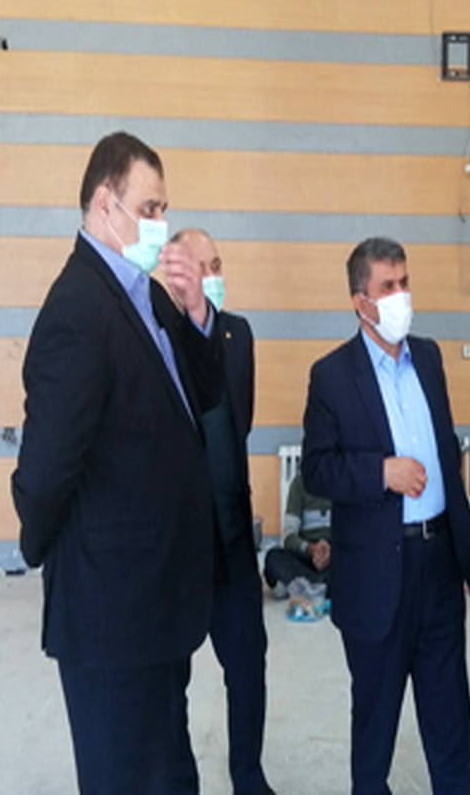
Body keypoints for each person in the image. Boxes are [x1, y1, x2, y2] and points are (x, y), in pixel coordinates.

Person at [12, 132, 222, 794]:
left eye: (164, 209)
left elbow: (202, 397)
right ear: (105, 203)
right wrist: (46, 547)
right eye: (150, 207)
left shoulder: (147, 296)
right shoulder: (78, 310)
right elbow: (46, 471)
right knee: (124, 777)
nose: (161, 224)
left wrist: (197, 314)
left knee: (169, 770)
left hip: (160, 601)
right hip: (112, 610)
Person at [301, 237, 470, 794]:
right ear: (361, 302)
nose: (402, 296)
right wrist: (380, 472)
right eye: (388, 287)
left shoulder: (428, 358)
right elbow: (317, 469)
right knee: (375, 727)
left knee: (451, 724)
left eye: (405, 282)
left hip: (438, 563)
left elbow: (445, 448)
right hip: (377, 575)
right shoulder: (332, 375)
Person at [174, 228, 275, 795]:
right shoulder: (156, 336)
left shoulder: (238, 334)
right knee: (172, 678)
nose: (214, 275)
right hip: (179, 551)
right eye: (203, 266)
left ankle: (248, 775)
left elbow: (242, 421)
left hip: (233, 540)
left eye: (217, 264)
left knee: (248, 665)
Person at [263, 472, 333, 597]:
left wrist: (331, 552)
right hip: (306, 555)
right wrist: (311, 549)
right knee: (273, 557)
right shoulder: (299, 484)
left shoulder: (344, 483)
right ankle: (320, 585)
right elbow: (289, 536)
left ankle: (303, 585)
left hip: (336, 556)